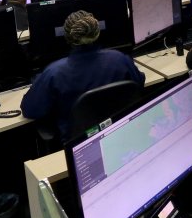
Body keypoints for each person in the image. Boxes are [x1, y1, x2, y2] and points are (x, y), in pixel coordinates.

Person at [21, 11, 145, 139]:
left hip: (77, 143)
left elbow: (30, 110)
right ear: (97, 32)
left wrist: (38, 82)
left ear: (67, 36)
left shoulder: (54, 73)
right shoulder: (120, 59)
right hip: (121, 132)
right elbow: (138, 84)